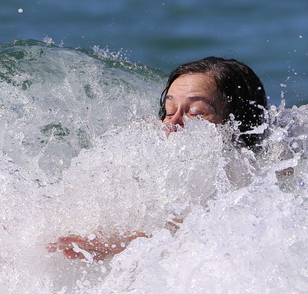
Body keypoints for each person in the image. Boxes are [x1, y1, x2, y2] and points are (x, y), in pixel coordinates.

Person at [48, 57, 268, 261]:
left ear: (237, 123)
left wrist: (121, 243)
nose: (173, 122)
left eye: (197, 113)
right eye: (169, 109)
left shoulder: (254, 175)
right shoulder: (147, 163)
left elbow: (201, 232)